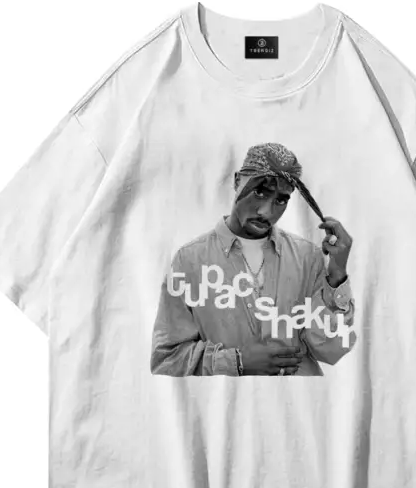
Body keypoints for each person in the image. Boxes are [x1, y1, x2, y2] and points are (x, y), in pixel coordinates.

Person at [150, 142, 357, 376]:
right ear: (237, 181)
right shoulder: (190, 260)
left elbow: (331, 350)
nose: (266, 212)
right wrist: (236, 361)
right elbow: (166, 359)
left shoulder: (307, 257)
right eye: (260, 192)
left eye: (281, 200)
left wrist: (337, 274)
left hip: (303, 396)